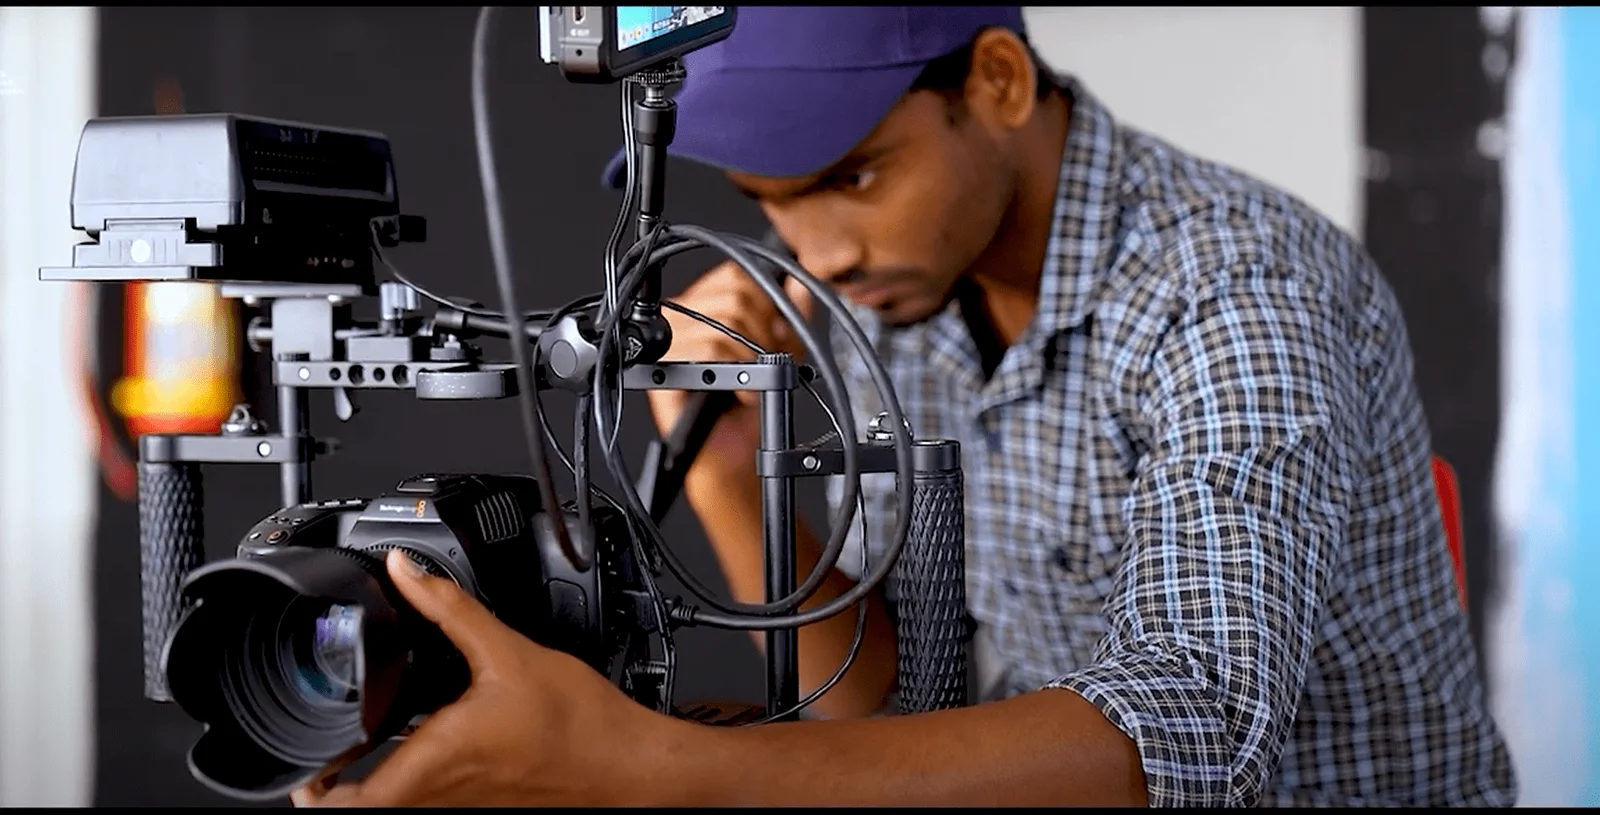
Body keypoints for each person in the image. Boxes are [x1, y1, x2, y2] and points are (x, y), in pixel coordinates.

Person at [293, 6, 1518, 807]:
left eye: (851, 177)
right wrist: (719, 462)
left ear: (993, 80)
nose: (816, 251)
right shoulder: (891, 298)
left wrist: (656, 767)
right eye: (773, 201)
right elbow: (891, 697)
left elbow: (1192, 720)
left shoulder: (1233, 286)